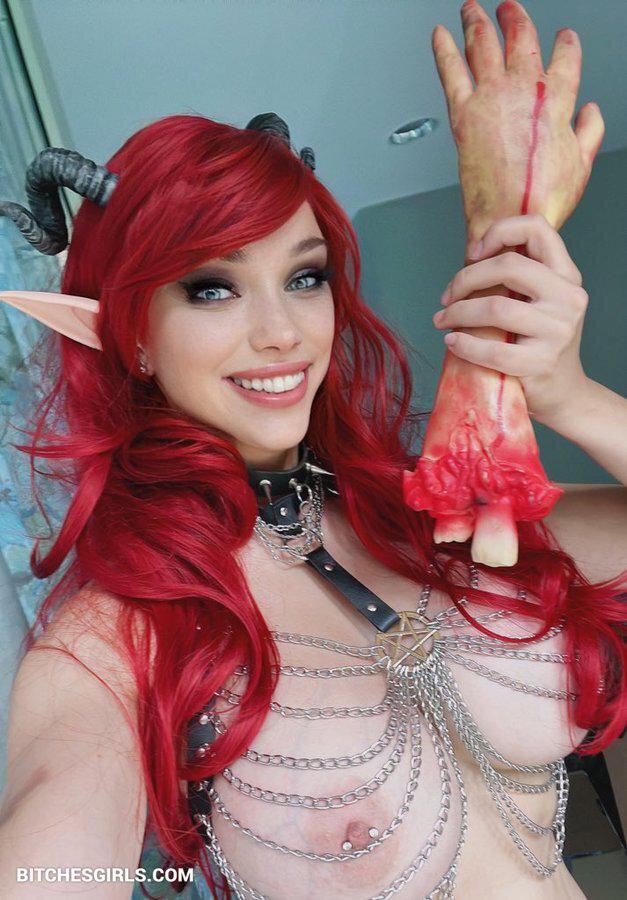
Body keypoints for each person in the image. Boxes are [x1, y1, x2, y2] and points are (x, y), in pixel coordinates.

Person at [0, 1, 625, 898]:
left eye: (304, 275)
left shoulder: (429, 517)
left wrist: (569, 395)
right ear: (131, 333)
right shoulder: (117, 639)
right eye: (210, 288)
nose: (282, 332)